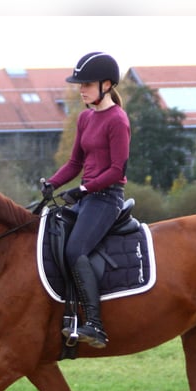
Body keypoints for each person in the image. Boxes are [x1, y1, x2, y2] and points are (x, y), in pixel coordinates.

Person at [40, 52, 130, 349]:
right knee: (53, 240)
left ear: (106, 85)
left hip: (106, 198)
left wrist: (82, 190)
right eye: (79, 84)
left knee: (76, 249)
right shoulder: (85, 117)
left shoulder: (117, 119)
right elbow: (74, 162)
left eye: (86, 84)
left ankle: (95, 324)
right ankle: (67, 313)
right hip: (88, 196)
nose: (81, 89)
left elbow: (117, 169)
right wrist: (52, 183)